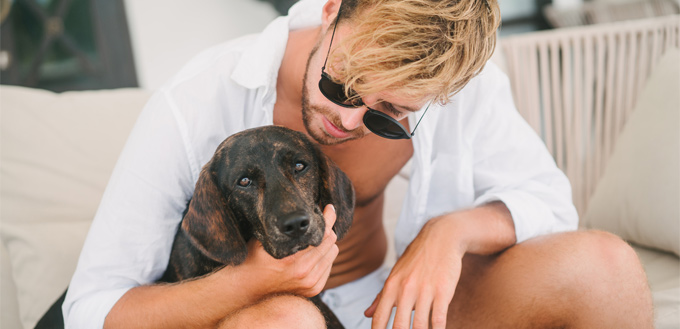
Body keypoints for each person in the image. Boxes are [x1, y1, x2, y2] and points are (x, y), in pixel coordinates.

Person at [63, 0, 654, 328]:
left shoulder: (451, 87)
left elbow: (550, 203)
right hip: (264, 319)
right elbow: (92, 309)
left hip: (392, 312)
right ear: (329, 12)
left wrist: (449, 235)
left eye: (388, 112)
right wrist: (252, 282)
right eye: (343, 85)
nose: (349, 122)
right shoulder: (195, 101)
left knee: (607, 265)